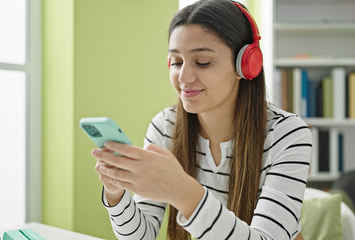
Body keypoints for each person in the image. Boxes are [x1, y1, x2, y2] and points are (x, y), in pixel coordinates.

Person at [91, 0, 312, 239]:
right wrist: (116, 194)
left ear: (246, 65)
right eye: (176, 62)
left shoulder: (288, 135)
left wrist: (183, 191)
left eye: (203, 62)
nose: (184, 77)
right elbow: (141, 237)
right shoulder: (165, 126)